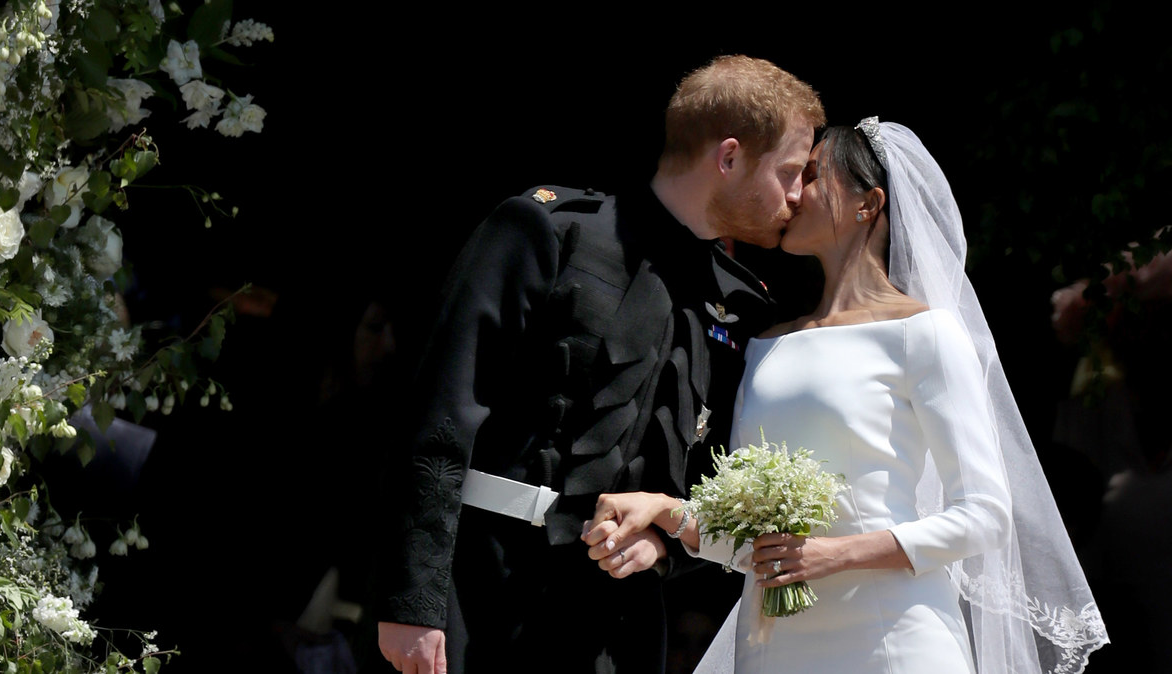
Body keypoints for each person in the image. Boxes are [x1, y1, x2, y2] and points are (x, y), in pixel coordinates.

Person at [582, 118, 1109, 673]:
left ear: (867, 205)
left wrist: (834, 554)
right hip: (772, 644)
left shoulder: (923, 334)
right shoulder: (765, 344)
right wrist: (665, 512)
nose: (792, 193)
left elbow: (985, 515)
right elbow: (752, 545)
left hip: (894, 638)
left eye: (811, 175)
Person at [371, 55, 825, 674]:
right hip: (480, 591)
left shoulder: (744, 305)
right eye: (792, 172)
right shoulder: (548, 230)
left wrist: (664, 545)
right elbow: (440, 415)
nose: (799, 196)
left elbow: (718, 478)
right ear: (729, 157)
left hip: (618, 629)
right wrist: (413, 602)